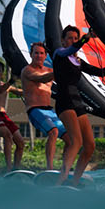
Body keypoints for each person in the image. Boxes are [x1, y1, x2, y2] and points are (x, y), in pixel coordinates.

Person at [52, 25, 105, 186]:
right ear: (63, 41)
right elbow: (70, 50)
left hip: (77, 102)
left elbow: (100, 72)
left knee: (90, 145)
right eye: (69, 38)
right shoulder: (59, 54)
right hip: (64, 101)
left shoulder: (78, 61)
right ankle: (60, 182)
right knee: (76, 142)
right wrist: (86, 37)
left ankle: (74, 182)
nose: (73, 41)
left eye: (75, 38)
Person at [19, 42, 63, 170]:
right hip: (35, 110)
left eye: (41, 53)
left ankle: (65, 170)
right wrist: (59, 70)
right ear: (31, 55)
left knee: (70, 139)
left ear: (46, 56)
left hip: (49, 111)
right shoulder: (27, 70)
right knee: (53, 131)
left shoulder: (50, 70)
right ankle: (49, 168)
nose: (39, 55)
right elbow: (42, 79)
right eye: (36, 53)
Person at [0, 61, 27, 171]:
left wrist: (36, 86)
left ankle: (16, 169)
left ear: (2, 72)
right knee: (7, 134)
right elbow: (0, 89)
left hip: (4, 116)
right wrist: (12, 80)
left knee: (20, 142)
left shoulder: (6, 86)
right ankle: (8, 168)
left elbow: (22, 92)